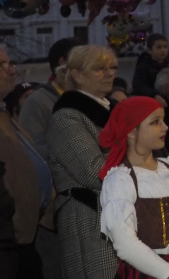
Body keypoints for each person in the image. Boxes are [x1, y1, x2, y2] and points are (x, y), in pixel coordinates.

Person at [99, 96, 169, 279]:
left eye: (163, 120)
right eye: (155, 122)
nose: (165, 127)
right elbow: (125, 244)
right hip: (148, 271)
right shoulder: (121, 180)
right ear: (132, 131)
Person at [46, 44, 119, 278]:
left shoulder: (113, 111)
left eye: (113, 67)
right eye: (99, 68)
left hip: (117, 216)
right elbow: (94, 172)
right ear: (76, 75)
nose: (109, 73)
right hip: (89, 220)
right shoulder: (67, 117)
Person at [0, 45, 54, 278]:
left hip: (24, 239)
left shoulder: (6, 117)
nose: (12, 71)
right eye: (1, 66)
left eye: (10, 64)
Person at [19, 37, 79, 160]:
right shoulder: (38, 101)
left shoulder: (85, 96)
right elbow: (31, 148)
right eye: (81, 59)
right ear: (63, 62)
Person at [132, 34, 169, 101]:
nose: (163, 50)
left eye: (165, 47)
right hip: (151, 100)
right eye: (159, 47)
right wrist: (154, 94)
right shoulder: (143, 66)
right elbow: (139, 86)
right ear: (149, 50)